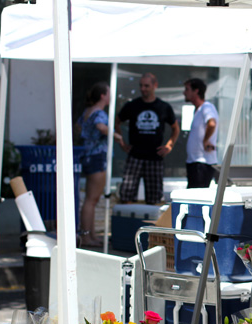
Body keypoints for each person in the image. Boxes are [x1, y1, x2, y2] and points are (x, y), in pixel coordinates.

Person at [115, 73, 179, 204]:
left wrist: (169, 146)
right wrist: (122, 143)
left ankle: (151, 223)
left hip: (155, 156)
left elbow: (175, 128)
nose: (143, 89)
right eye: (141, 86)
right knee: (126, 195)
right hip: (135, 155)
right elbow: (116, 122)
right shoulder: (132, 105)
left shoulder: (163, 107)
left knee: (154, 197)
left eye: (146, 86)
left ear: (155, 86)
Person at [75, 82, 114, 247]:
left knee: (91, 199)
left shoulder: (87, 111)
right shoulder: (99, 112)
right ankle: (86, 236)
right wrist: (115, 135)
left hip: (87, 155)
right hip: (97, 157)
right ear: (103, 96)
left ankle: (90, 235)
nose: (111, 96)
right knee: (91, 199)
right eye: (109, 93)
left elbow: (77, 127)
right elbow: (100, 127)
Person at [183, 78, 219, 188]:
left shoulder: (206, 107)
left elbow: (212, 123)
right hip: (196, 163)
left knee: (196, 198)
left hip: (202, 163)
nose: (184, 92)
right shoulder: (198, 110)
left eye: (187, 89)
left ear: (196, 91)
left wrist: (206, 140)